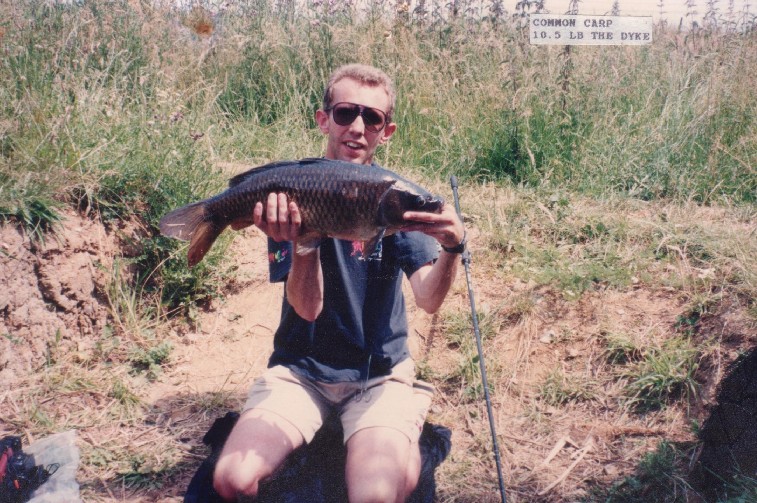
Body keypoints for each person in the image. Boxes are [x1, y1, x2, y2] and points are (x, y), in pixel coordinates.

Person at [212, 63, 466, 503]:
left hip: (377, 376)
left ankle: (395, 436)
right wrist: (304, 242)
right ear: (324, 119)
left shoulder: (398, 201)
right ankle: (361, 442)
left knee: (376, 496)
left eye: (373, 118)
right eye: (347, 113)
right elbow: (307, 309)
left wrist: (451, 248)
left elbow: (428, 299)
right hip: (301, 371)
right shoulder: (288, 195)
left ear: (387, 131)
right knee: (232, 480)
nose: (358, 127)